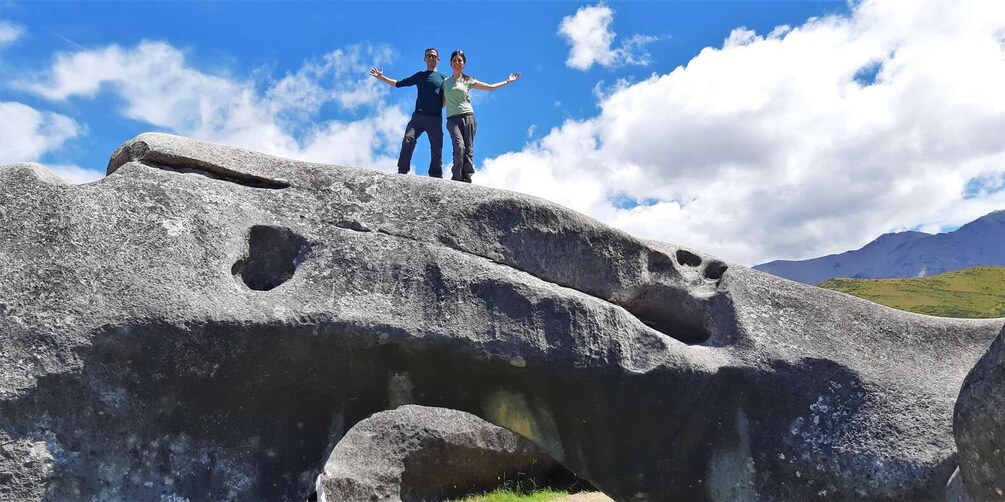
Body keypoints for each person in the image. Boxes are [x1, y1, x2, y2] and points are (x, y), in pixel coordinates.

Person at [442, 50, 519, 183]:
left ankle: (466, 178)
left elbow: (491, 87)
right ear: (450, 63)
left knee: (468, 149)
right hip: (452, 119)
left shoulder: (468, 80)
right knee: (459, 147)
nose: (457, 63)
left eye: (460, 60)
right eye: (454, 60)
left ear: (464, 64)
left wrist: (508, 81)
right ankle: (456, 178)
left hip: (468, 117)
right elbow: (443, 103)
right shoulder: (445, 82)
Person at [369, 48, 447, 177]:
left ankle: (435, 175)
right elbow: (399, 83)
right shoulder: (420, 76)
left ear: (438, 59)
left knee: (437, 147)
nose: (431, 59)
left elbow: (450, 95)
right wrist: (381, 77)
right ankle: (402, 171)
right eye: (429, 56)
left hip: (434, 118)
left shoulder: (444, 78)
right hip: (418, 117)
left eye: (434, 56)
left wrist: (439, 107)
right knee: (408, 140)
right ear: (425, 59)